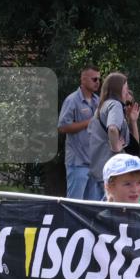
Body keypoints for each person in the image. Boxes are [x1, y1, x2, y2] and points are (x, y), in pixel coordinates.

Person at [86, 73, 136, 202]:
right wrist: (116, 148)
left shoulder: (103, 106)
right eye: (126, 87)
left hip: (98, 167)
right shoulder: (115, 105)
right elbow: (113, 128)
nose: (127, 91)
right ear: (118, 88)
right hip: (110, 169)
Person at [57, 66, 100, 199]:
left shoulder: (97, 100)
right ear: (83, 79)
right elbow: (62, 127)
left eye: (99, 79)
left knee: (91, 207)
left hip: (93, 162)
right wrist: (88, 122)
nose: (98, 82)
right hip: (78, 162)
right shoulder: (72, 100)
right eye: (94, 79)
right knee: (74, 205)